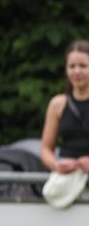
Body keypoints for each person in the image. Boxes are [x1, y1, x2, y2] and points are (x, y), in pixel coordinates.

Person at [40, 40, 89, 175]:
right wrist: (57, 165)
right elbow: (45, 149)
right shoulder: (57, 104)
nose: (77, 71)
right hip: (67, 178)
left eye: (83, 66)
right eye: (72, 66)